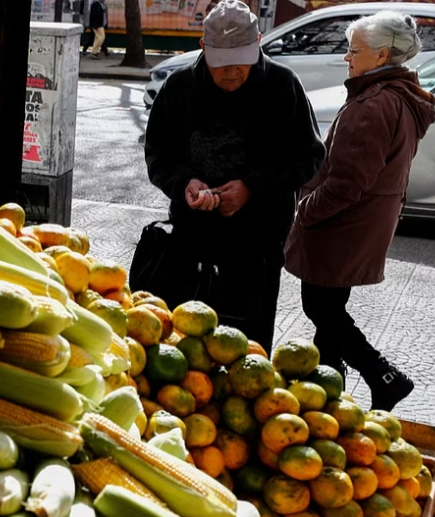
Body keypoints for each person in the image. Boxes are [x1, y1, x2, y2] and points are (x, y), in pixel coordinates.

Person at [143, 0, 325, 354]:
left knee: (248, 349)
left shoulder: (282, 85)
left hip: (258, 244)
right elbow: (158, 155)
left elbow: (309, 155)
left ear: (258, 42)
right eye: (221, 63)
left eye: (241, 61)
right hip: (189, 239)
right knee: (185, 347)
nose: (231, 73)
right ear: (203, 48)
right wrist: (185, 185)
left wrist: (252, 188)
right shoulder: (179, 88)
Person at [284, 11, 435, 411]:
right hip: (360, 226)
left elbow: (347, 184)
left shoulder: (373, 105)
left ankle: (384, 377)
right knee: (329, 309)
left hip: (341, 228)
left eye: (354, 50)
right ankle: (327, 392)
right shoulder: (397, 96)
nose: (347, 57)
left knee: (321, 308)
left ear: (382, 55)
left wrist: (305, 211)